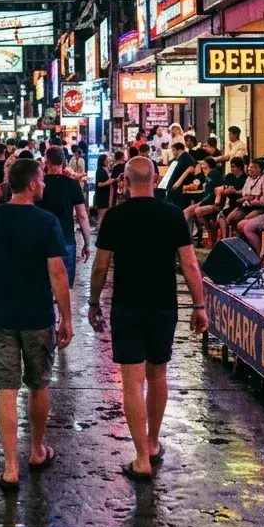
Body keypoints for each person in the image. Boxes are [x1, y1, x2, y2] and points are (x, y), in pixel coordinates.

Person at [88, 156, 209, 480]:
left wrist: (94, 302)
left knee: (132, 381)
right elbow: (189, 264)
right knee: (158, 375)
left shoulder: (114, 217)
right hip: (163, 305)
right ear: (154, 180)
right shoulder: (172, 215)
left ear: (125, 182)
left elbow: (100, 267)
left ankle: (140, 457)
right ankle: (153, 443)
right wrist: (199, 306)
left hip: (126, 305)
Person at [0, 158, 72, 490]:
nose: (44, 184)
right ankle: (37, 450)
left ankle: (10, 466)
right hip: (37, 316)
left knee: (6, 388)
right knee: (39, 384)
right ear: (30, 184)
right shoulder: (47, 222)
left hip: (1, 316)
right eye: (41, 179)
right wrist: (66, 317)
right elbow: (57, 273)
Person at [36, 146, 91, 287]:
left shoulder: (40, 185)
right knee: (64, 287)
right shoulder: (72, 184)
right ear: (64, 161)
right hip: (66, 239)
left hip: (41, 240)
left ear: (46, 161)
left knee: (43, 284)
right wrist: (87, 243)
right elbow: (82, 216)